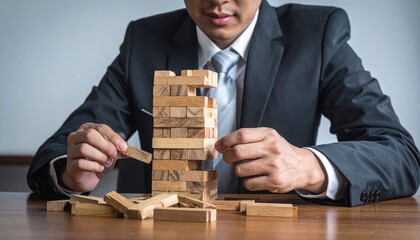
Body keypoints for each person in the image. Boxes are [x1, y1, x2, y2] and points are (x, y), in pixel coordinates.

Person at [27, 0, 420, 206]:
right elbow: (57, 152)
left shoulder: (318, 34)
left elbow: (400, 155)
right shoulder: (143, 40)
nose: (218, 1)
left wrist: (310, 166)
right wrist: (70, 172)